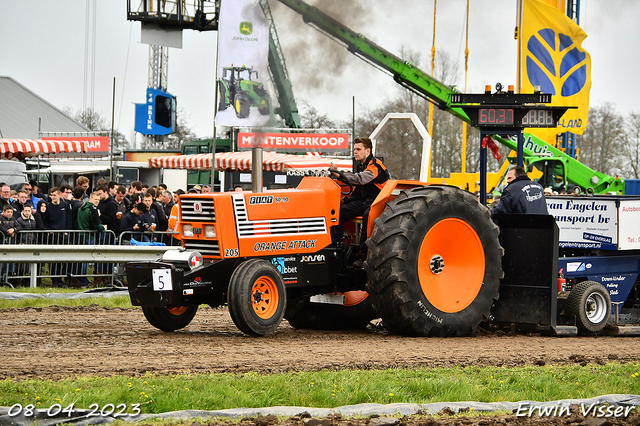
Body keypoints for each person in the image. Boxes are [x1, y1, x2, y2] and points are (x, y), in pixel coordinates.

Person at [329, 137, 390, 261]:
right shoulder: (361, 166)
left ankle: (364, 253)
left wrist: (339, 174)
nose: (355, 152)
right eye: (354, 149)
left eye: (358, 149)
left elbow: (361, 179)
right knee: (338, 212)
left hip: (378, 201)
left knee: (369, 215)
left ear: (368, 151)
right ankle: (337, 245)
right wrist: (345, 201)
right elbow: (358, 190)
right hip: (364, 201)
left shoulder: (375, 165)